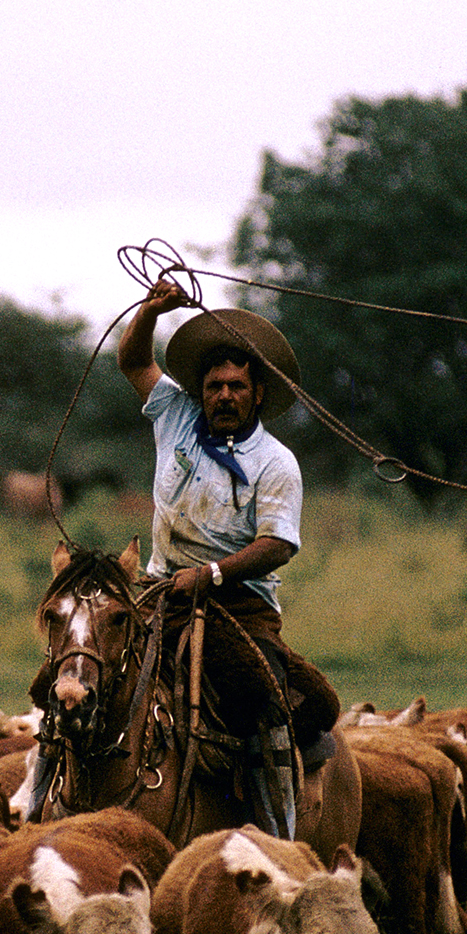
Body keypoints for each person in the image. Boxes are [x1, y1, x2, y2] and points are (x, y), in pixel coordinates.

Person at [117, 276, 340, 838]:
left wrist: (212, 574)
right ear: (202, 389)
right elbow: (132, 359)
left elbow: (279, 543)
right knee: (79, 673)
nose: (223, 395)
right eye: (214, 385)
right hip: (158, 592)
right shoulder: (175, 414)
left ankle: (277, 831)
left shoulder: (276, 462)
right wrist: (151, 310)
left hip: (239, 608)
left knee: (265, 702)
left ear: (257, 392)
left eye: (236, 386)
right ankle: (43, 798)